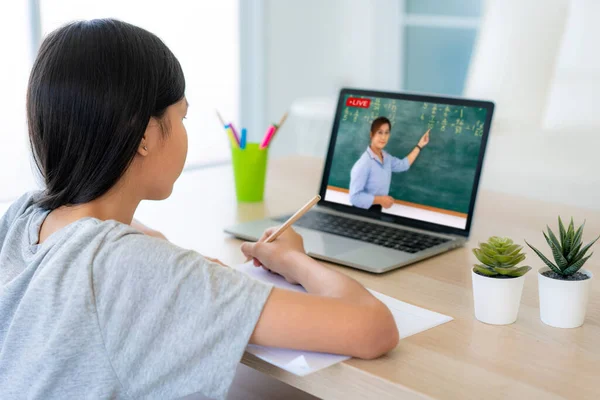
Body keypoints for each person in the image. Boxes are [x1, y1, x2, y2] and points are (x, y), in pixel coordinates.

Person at [0, 19, 398, 399]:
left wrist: (169, 258)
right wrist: (294, 261)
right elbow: (373, 328)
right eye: (182, 115)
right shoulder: (131, 268)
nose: (186, 128)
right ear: (144, 136)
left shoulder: (26, 215)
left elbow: (110, 245)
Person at [349, 117, 430, 212]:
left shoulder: (386, 157)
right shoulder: (364, 163)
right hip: (361, 213)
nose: (383, 137)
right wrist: (380, 200)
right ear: (371, 135)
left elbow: (403, 165)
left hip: (376, 210)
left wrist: (419, 145)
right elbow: (354, 198)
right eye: (380, 132)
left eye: (386, 133)